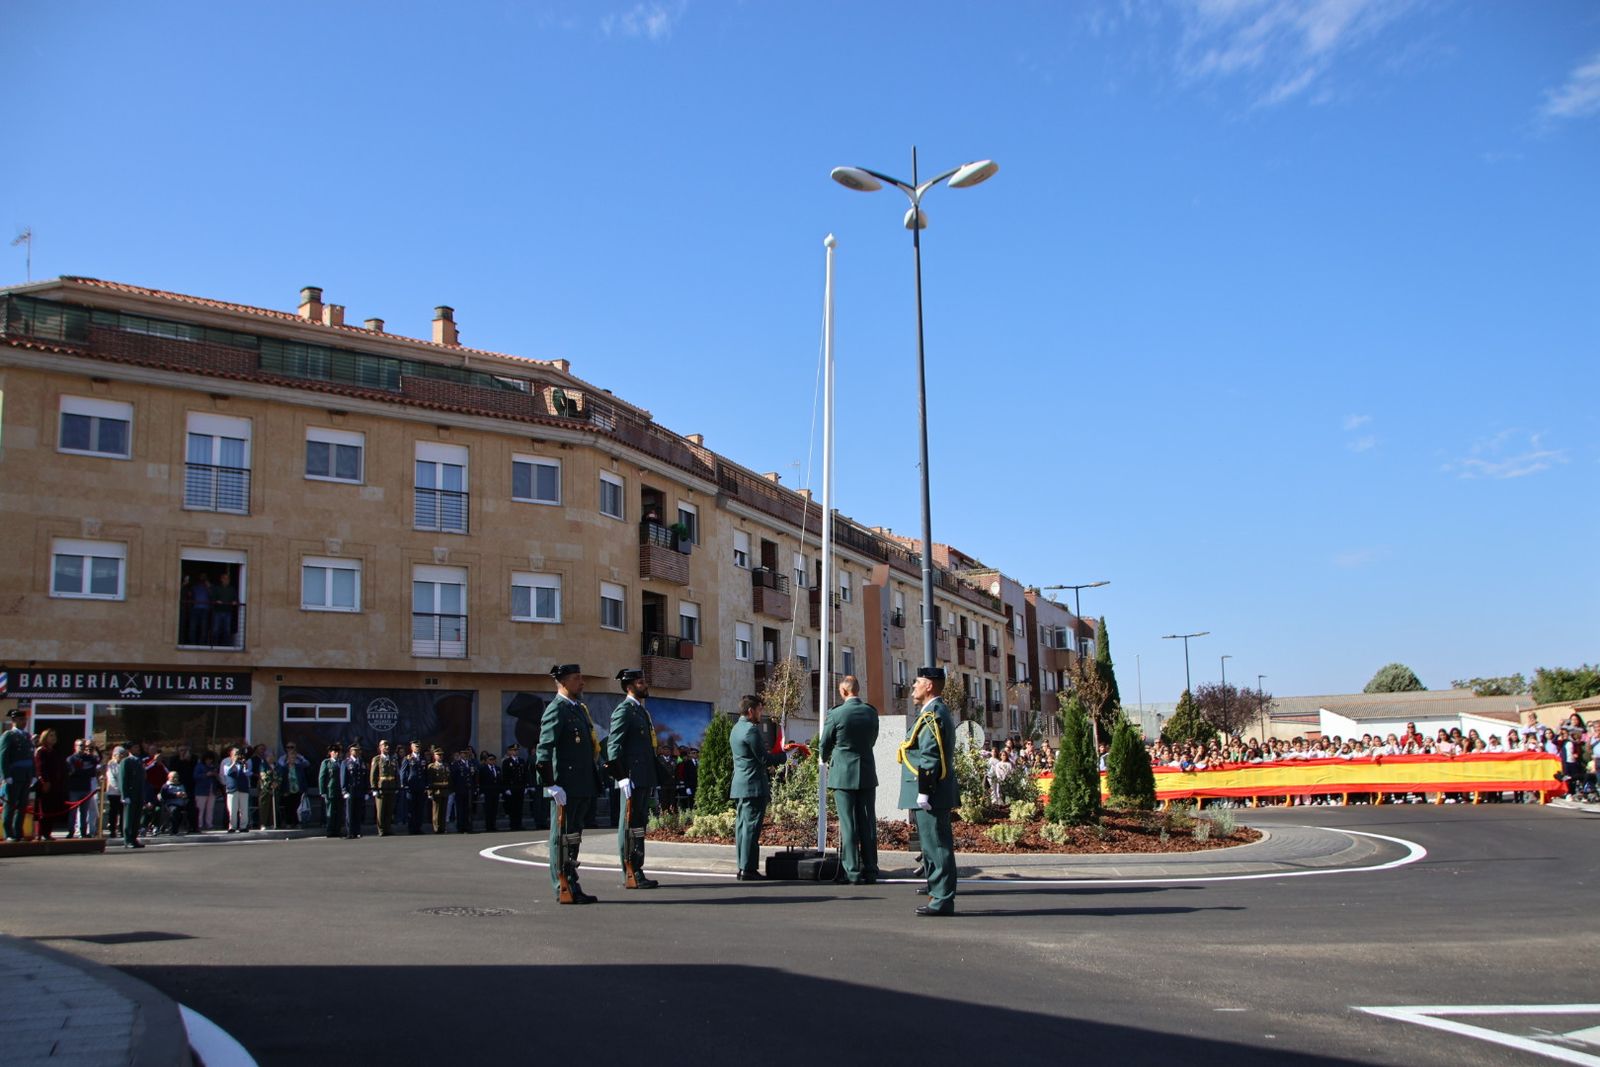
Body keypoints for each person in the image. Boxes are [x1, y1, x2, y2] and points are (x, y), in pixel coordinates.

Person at [536, 664, 603, 904]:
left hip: (581, 784)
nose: (582, 682)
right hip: (564, 786)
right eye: (577, 678)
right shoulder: (557, 709)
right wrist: (550, 784)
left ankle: (572, 882)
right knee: (561, 836)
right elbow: (544, 749)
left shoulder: (577, 709)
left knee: (574, 836)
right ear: (563, 682)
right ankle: (562, 884)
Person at [899, 666, 957, 917]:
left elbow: (930, 755)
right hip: (930, 789)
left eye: (917, 682)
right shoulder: (931, 713)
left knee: (937, 845)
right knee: (931, 845)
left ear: (929, 686)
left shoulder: (933, 714)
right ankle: (937, 890)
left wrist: (924, 791)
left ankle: (943, 898)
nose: (913, 687)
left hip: (931, 791)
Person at [729, 694, 799, 880]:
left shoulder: (736, 728)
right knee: (751, 828)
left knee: (743, 827)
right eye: (760, 710)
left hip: (741, 785)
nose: (761, 713)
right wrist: (786, 756)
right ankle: (748, 869)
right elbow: (764, 759)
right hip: (753, 785)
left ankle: (743, 866)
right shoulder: (751, 731)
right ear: (751, 711)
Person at [819, 675, 880, 886]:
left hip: (843, 773)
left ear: (844, 692)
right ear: (858, 690)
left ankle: (852, 871)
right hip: (866, 771)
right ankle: (871, 869)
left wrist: (825, 757)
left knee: (848, 824)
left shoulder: (836, 714)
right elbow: (872, 740)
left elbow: (825, 743)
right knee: (867, 822)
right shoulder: (871, 713)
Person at [607, 668, 661, 890]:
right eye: (640, 682)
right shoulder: (624, 711)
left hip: (643, 776)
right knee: (628, 825)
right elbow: (613, 746)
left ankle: (638, 869)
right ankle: (630, 870)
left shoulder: (640, 711)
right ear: (629, 687)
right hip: (631, 778)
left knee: (639, 825)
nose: (644, 685)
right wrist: (620, 776)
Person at [32, 729, 66, 840]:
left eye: (54, 735)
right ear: (45, 737)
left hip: (55, 785)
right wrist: (44, 782)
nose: (53, 738)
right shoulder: (41, 751)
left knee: (52, 810)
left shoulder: (54, 751)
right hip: (45, 785)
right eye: (50, 736)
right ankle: (40, 833)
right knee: (43, 810)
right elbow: (40, 768)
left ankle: (47, 833)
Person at [65, 738, 101, 839]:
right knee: (73, 812)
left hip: (86, 788)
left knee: (84, 812)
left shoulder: (90, 758)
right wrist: (85, 771)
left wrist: (95, 748)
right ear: (75, 747)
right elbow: (73, 772)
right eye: (80, 746)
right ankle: (71, 832)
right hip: (74, 789)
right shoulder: (71, 759)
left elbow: (93, 770)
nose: (82, 748)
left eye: (83, 746)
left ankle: (83, 832)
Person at [119, 741, 147, 848]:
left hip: (139, 793)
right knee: (129, 818)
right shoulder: (126, 761)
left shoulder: (139, 761)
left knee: (136, 817)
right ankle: (128, 840)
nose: (138, 749)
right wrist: (124, 795)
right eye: (135, 747)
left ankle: (134, 838)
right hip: (130, 794)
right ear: (130, 750)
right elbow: (123, 779)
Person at [369, 739, 400, 836]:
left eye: (387, 746)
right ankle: (381, 829)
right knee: (381, 810)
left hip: (391, 787)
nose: (387, 747)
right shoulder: (377, 759)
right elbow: (373, 775)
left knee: (389, 810)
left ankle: (388, 828)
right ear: (380, 748)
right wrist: (374, 788)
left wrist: (397, 786)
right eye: (384, 745)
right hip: (381, 787)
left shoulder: (393, 759)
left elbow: (396, 774)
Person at [340, 742, 369, 839]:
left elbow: (365, 778)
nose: (356, 752)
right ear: (350, 751)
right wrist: (344, 791)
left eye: (358, 750)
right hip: (351, 790)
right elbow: (343, 777)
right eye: (354, 750)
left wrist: (366, 791)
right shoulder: (346, 762)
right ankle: (350, 832)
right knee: (350, 813)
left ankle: (357, 831)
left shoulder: (361, 762)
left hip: (359, 790)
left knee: (358, 812)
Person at [400, 741, 429, 834]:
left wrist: (426, 784)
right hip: (411, 786)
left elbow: (425, 773)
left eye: (418, 746)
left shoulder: (423, 758)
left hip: (420, 787)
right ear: (411, 748)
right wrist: (403, 784)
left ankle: (418, 827)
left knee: (419, 808)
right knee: (411, 809)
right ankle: (411, 828)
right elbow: (403, 772)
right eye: (415, 746)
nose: (417, 748)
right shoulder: (408, 758)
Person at [278, 744, 310, 827]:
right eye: (290, 758)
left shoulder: (299, 767)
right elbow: (281, 779)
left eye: (294, 758)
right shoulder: (284, 768)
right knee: (288, 807)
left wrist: (304, 790)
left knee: (297, 807)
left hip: (297, 790)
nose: (292, 759)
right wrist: (283, 791)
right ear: (287, 759)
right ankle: (289, 822)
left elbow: (303, 778)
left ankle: (296, 822)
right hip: (288, 790)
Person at [220, 746, 251, 832]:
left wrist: (244, 764)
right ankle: (232, 827)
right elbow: (227, 771)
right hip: (232, 789)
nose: (238, 756)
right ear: (231, 755)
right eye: (236, 754)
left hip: (243, 789)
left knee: (244, 809)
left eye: (239, 754)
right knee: (232, 810)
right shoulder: (226, 764)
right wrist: (234, 762)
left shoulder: (243, 764)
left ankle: (243, 826)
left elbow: (247, 773)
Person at [318, 743, 344, 838]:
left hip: (340, 791)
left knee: (339, 811)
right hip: (330, 791)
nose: (337, 754)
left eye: (338, 752)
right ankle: (330, 830)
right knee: (330, 811)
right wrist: (322, 791)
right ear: (330, 753)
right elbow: (322, 777)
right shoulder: (326, 762)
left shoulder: (341, 763)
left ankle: (337, 830)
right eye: (334, 752)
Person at [502, 743, 529, 832]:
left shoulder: (521, 761)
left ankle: (519, 824)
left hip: (520, 787)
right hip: (512, 787)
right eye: (514, 750)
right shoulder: (506, 762)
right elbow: (505, 776)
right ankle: (513, 824)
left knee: (519, 807)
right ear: (510, 752)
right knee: (512, 807)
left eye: (516, 750)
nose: (515, 752)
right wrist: (507, 788)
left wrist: (525, 786)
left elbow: (525, 774)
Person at [450, 748, 477, 834]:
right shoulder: (456, 764)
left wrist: (475, 788)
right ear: (460, 754)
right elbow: (453, 777)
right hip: (460, 789)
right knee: (460, 809)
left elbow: (474, 777)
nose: (465, 755)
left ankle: (468, 826)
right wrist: (454, 789)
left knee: (468, 809)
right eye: (463, 753)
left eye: (466, 753)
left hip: (469, 789)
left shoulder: (471, 763)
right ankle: (461, 827)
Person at [426, 747, 452, 833]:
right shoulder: (431, 766)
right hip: (436, 790)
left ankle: (443, 827)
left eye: (441, 755)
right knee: (436, 810)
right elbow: (429, 780)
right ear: (434, 756)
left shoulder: (446, 765)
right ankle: (436, 827)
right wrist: (430, 792)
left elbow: (449, 778)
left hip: (445, 790)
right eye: (438, 755)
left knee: (443, 810)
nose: (440, 757)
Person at [104, 746, 126, 839]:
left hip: (123, 792)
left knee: (122, 812)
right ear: (115, 755)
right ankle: (112, 830)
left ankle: (122, 830)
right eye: (120, 755)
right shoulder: (111, 764)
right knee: (113, 811)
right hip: (113, 792)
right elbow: (112, 778)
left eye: (123, 755)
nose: (122, 756)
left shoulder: (124, 764)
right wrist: (119, 788)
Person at [192, 750, 217, 832]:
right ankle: (199, 824)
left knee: (210, 808)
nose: (209, 761)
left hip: (211, 790)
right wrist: (206, 774)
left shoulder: (213, 767)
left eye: (211, 759)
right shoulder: (199, 766)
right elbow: (195, 777)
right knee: (200, 809)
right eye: (208, 759)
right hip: (201, 791)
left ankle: (209, 824)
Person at [478, 751, 501, 832]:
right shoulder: (483, 769)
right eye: (490, 759)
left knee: (494, 810)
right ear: (487, 760)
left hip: (495, 792)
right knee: (488, 810)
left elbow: (499, 780)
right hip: (487, 792)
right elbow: (481, 781)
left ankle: (493, 825)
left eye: (493, 760)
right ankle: (488, 826)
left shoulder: (497, 769)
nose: (492, 761)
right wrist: (481, 792)